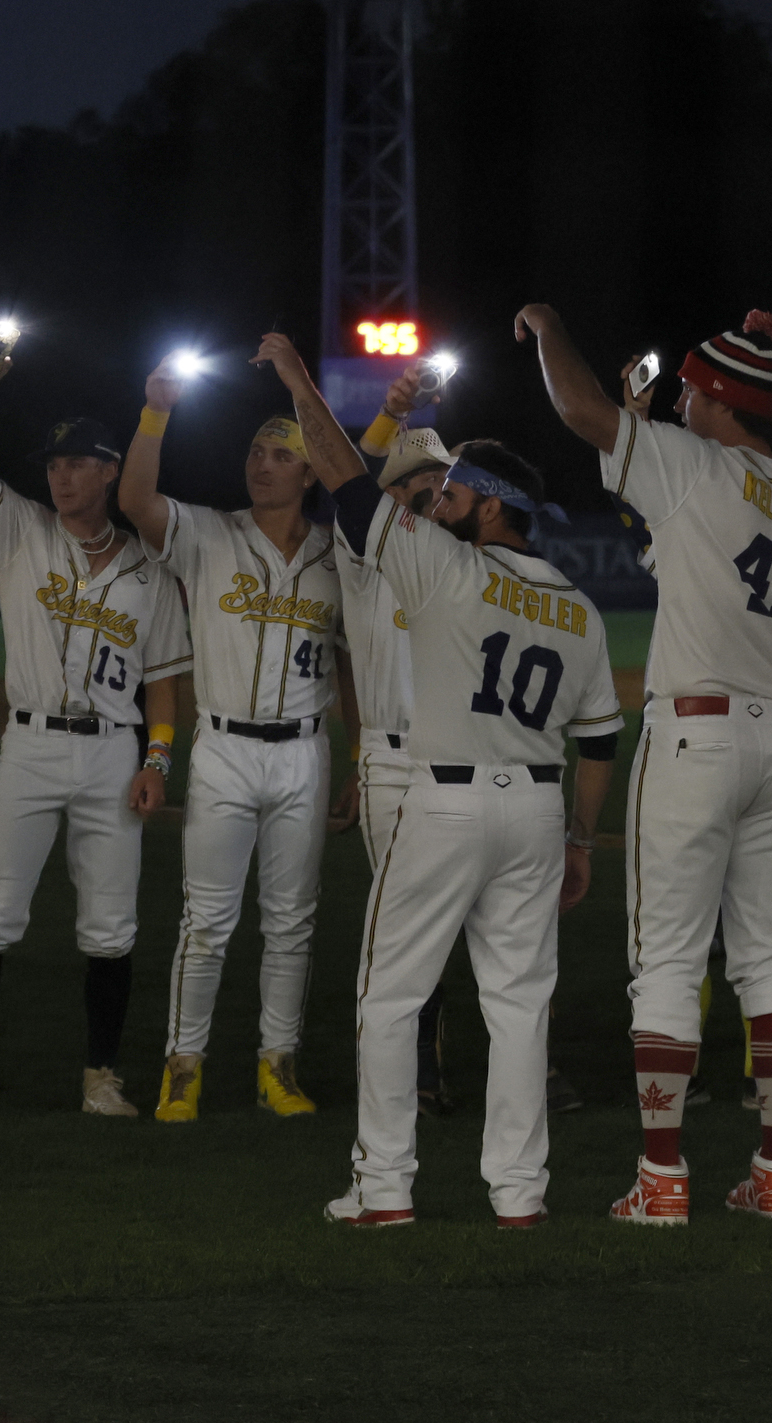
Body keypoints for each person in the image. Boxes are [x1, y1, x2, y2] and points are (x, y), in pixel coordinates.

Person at [253, 333, 624, 1228]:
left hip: (446, 805)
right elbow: (602, 741)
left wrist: (302, 382)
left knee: (388, 996)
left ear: (492, 506)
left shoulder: (444, 564)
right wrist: (580, 840)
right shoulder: (576, 607)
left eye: (456, 490)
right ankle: (520, 1194)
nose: (443, 499)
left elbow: (344, 478)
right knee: (519, 1009)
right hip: (537, 811)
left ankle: (383, 1190)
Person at [520, 304, 772, 1224]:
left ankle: (662, 1179)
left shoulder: (691, 461)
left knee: (665, 963)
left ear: (714, 397)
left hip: (697, 735)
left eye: (686, 392)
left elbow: (586, 414)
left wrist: (551, 327)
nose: (675, 402)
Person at [0, 337, 189, 1122]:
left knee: (110, 929)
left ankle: (100, 1076)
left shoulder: (148, 572)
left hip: (114, 754)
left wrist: (159, 762)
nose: (60, 475)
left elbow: (166, 685)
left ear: (111, 471)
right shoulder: (19, 529)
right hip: (31, 748)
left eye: (77, 464)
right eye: (53, 464)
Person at [120, 371, 346, 1122]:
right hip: (221, 748)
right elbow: (134, 502)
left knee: (291, 920)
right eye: (253, 451)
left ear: (311, 471)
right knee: (207, 921)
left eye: (279, 454)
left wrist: (355, 757)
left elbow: (349, 663)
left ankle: (276, 1067)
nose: (260, 463)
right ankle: (182, 1066)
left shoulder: (336, 557)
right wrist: (157, 413)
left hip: (304, 752)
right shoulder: (211, 532)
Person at [347, 368, 462, 1116]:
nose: (429, 488)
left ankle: (532, 1068)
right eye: (413, 479)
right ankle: (408, 1079)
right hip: (389, 762)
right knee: (401, 932)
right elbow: (349, 478)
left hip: (463, 759)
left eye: (440, 477)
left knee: (488, 925)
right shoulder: (358, 555)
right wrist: (390, 415)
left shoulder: (462, 556)